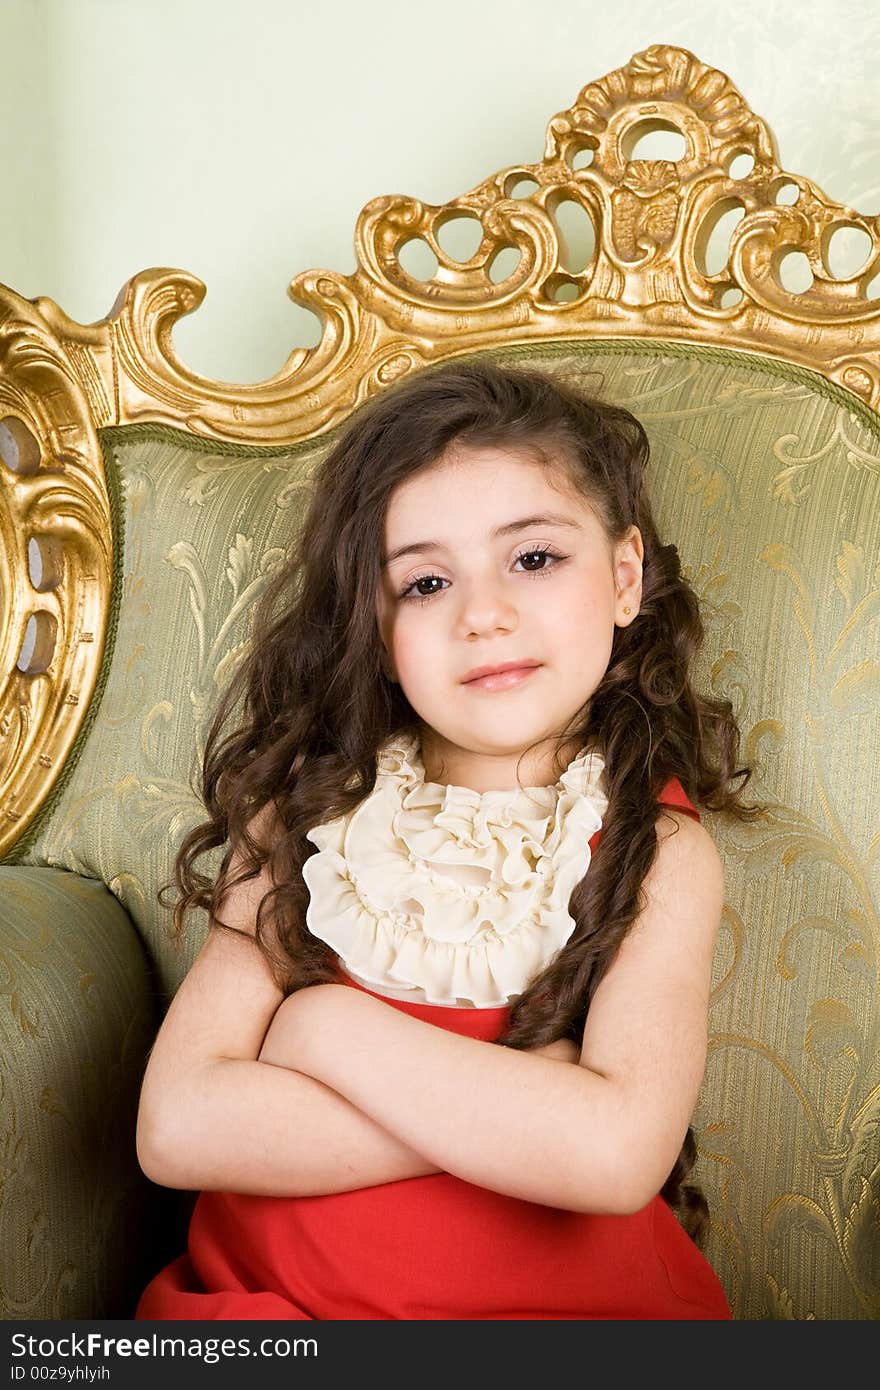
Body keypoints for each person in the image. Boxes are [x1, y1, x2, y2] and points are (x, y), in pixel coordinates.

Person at [134, 358, 762, 1320]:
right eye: (425, 582)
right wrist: (525, 1101)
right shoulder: (300, 819)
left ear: (625, 576)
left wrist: (325, 1032)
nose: (483, 615)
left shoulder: (656, 851)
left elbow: (612, 1154)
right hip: (280, 1321)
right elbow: (178, 1128)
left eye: (536, 558)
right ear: (372, 622)